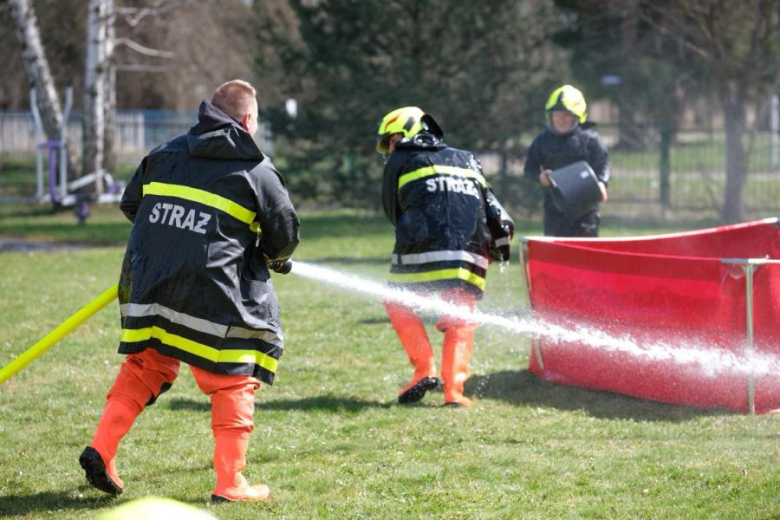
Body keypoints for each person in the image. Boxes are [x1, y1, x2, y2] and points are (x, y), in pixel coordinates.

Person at [79, 80, 300, 503]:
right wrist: (267, 253)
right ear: (249, 119)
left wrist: (174, 238)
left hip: (150, 284)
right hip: (212, 294)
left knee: (145, 367)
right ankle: (230, 483)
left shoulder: (165, 153)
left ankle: (101, 451)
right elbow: (284, 237)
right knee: (232, 378)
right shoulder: (256, 169)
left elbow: (132, 205)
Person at [375, 106, 514, 407]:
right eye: (389, 144)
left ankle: (424, 369)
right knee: (461, 317)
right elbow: (495, 211)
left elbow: (392, 210)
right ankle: (454, 392)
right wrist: (500, 244)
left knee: (398, 301)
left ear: (411, 128)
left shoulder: (401, 159)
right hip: (469, 252)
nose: (392, 147)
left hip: (419, 248)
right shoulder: (467, 158)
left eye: (393, 138)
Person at [524, 84, 610, 237]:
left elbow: (603, 164)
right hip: (555, 208)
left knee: (585, 253)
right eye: (557, 115)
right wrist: (540, 177)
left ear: (577, 116)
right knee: (556, 254)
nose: (561, 120)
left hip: (587, 207)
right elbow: (529, 168)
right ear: (550, 116)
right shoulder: (542, 141)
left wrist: (602, 184)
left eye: (567, 115)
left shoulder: (591, 139)